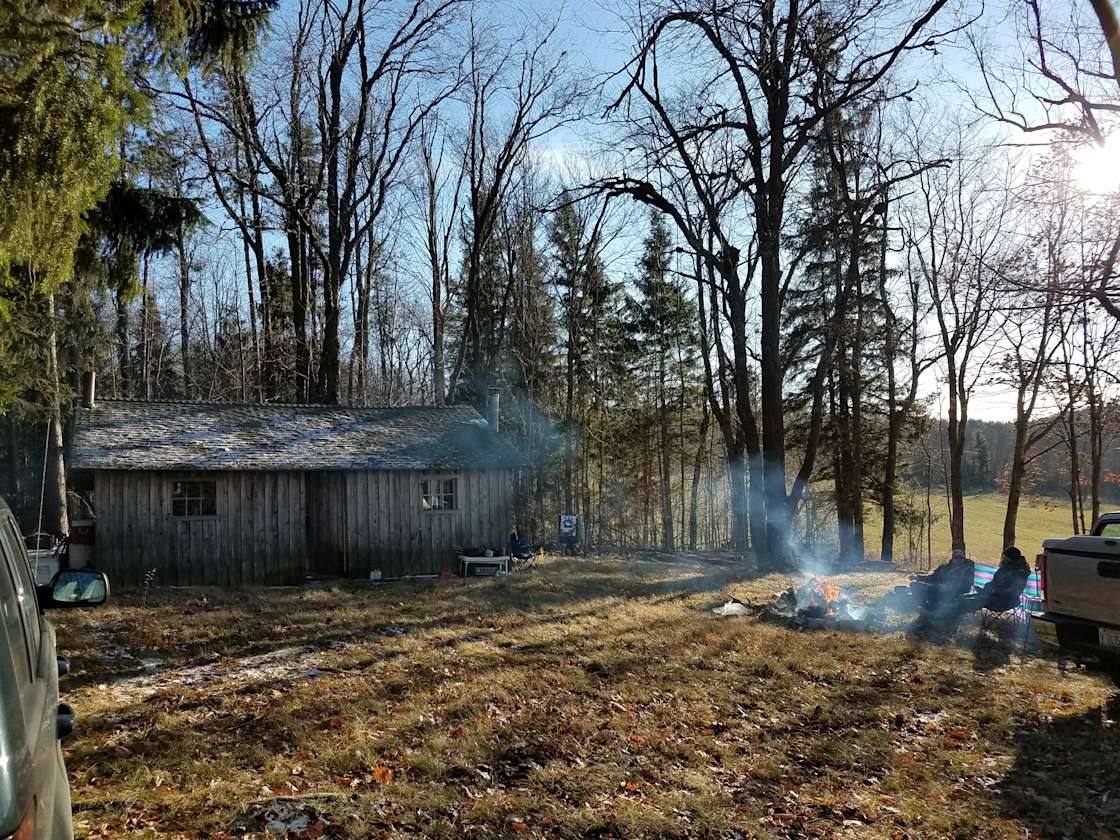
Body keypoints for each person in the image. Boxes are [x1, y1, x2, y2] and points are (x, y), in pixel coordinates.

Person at [907, 549, 974, 612]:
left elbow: (965, 584)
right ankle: (925, 607)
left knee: (933, 589)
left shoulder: (967, 569)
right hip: (939, 587)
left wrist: (948, 586)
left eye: (960, 558)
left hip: (955, 592)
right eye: (956, 557)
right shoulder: (944, 567)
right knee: (914, 585)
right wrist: (918, 578)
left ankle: (934, 612)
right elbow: (932, 577)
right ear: (952, 558)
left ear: (963, 559)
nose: (958, 559)